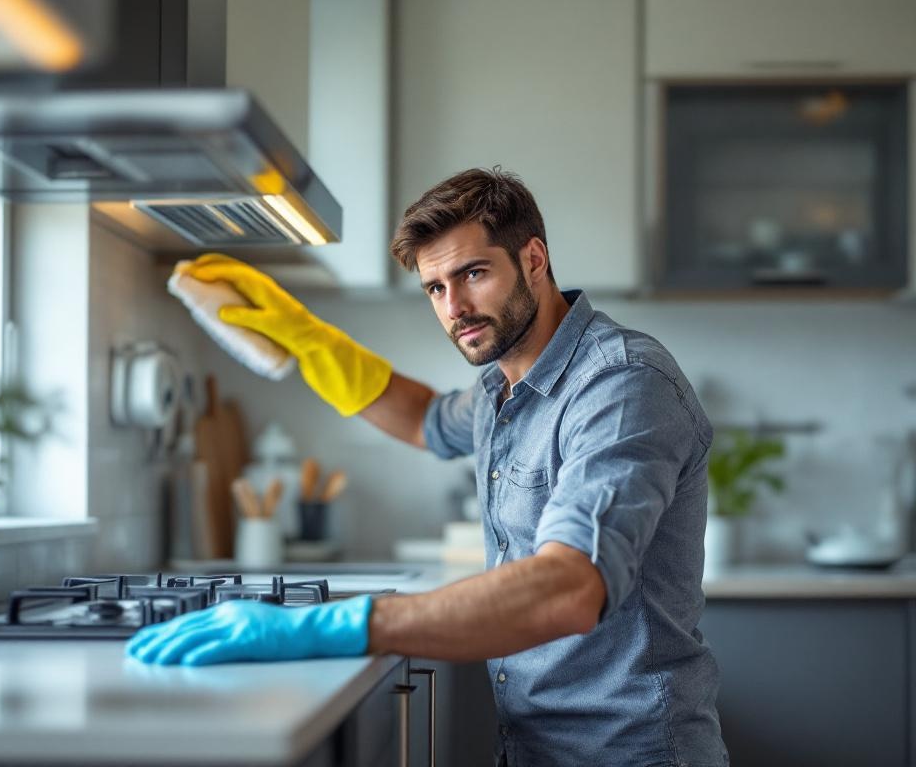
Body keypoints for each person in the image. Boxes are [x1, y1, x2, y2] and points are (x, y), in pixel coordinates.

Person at [127, 168, 728, 766]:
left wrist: (334, 625)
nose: (455, 307)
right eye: (435, 288)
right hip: (536, 747)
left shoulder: (620, 383)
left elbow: (570, 587)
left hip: (630, 753)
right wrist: (308, 339)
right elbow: (424, 418)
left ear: (534, 259)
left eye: (472, 273)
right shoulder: (503, 385)